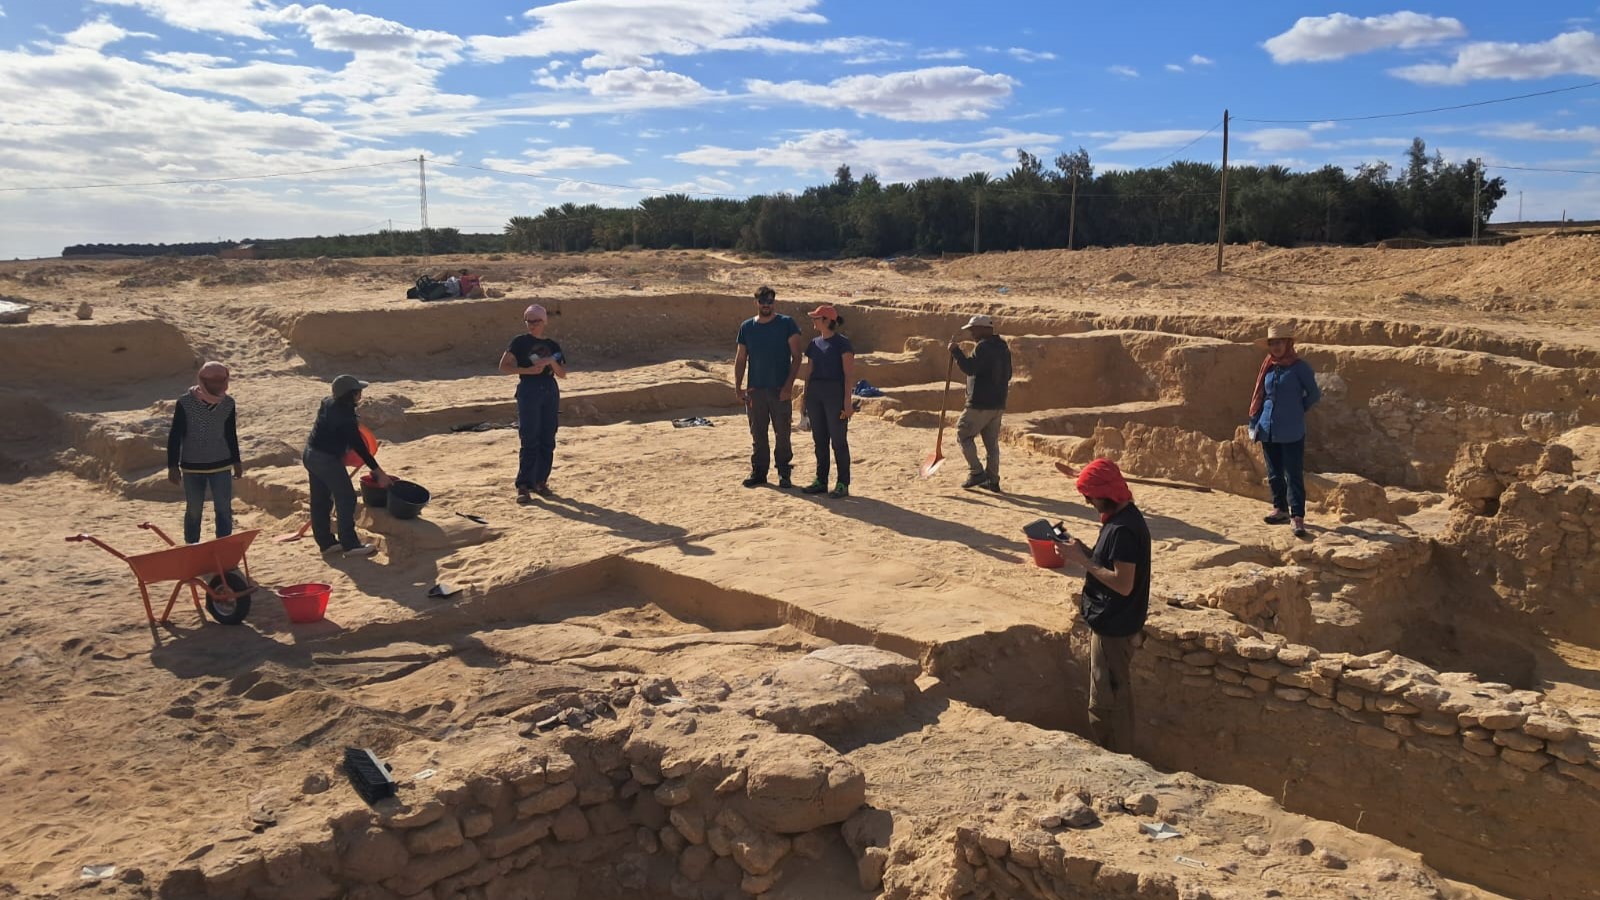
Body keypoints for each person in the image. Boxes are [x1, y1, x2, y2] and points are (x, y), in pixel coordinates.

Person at [1057, 458, 1151, 754]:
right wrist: (1084, 550)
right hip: (1114, 622)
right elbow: (1108, 563)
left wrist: (1081, 560)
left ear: (1106, 494)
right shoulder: (1121, 520)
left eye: (1091, 497)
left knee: (1108, 701)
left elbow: (1123, 584)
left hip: (1115, 628)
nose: (1089, 502)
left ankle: (1117, 758)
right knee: (1112, 693)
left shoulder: (1123, 530)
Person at [303, 374, 393, 558]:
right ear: (352, 395)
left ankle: (326, 543)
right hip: (326, 460)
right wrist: (378, 472)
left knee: (320, 500)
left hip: (310, 454)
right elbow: (359, 447)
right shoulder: (345, 417)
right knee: (346, 497)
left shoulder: (328, 402)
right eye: (358, 392)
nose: (361, 394)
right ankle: (350, 544)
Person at [1247, 324, 1322, 539]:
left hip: (1291, 429)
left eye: (1279, 343)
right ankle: (1279, 508)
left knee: (1293, 473)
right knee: (1273, 472)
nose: (1276, 347)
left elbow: (1314, 394)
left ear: (1288, 344)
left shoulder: (1300, 368)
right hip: (1267, 426)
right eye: (1272, 343)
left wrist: (1297, 409)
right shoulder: (1268, 367)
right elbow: (1260, 395)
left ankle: (1297, 516)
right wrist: (1255, 422)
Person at [734, 286, 803, 488]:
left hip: (779, 389)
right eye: (763, 302)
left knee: (782, 432)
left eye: (770, 302)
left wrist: (788, 386)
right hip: (755, 390)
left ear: (775, 302)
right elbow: (740, 358)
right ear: (756, 302)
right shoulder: (747, 327)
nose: (766, 305)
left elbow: (797, 357)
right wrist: (738, 387)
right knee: (758, 433)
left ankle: (784, 471)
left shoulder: (786, 324)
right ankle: (759, 472)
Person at [166, 361, 241, 545]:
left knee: (223, 509)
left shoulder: (228, 403)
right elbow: (175, 435)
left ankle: (224, 549)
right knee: (194, 510)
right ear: (203, 381)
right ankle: (192, 547)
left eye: (221, 381)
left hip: (221, 463)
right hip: (192, 466)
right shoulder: (185, 403)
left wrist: (236, 461)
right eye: (213, 381)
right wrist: (172, 465)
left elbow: (230, 433)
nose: (218, 385)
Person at [499, 304, 567, 502]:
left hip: (549, 390)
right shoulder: (520, 342)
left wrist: (550, 363)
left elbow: (562, 373)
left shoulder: (553, 346)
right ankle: (524, 485)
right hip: (529, 389)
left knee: (547, 436)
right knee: (529, 437)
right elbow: (504, 366)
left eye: (535, 321)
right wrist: (528, 370)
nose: (531, 325)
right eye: (528, 321)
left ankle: (541, 481)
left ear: (544, 322)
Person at [948, 314, 1013, 492]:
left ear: (984, 329)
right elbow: (1008, 375)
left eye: (973, 330)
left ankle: (976, 472)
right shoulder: (1003, 347)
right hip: (998, 403)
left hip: (979, 403)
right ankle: (992, 480)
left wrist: (955, 351)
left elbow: (970, 368)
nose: (971, 334)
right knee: (991, 444)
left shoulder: (983, 348)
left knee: (963, 434)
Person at [800, 305, 854, 499]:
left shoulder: (842, 344)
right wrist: (804, 400)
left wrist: (847, 402)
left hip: (834, 395)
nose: (813, 321)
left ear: (826, 320)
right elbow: (809, 373)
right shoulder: (814, 344)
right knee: (819, 440)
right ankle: (821, 480)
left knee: (838, 441)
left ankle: (842, 483)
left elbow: (848, 375)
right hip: (816, 394)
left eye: (816, 318)